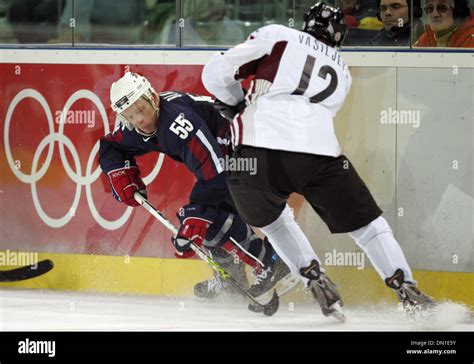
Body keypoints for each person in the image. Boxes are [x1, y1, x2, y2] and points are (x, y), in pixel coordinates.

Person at [202, 2, 436, 319]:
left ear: (305, 24)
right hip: (319, 154)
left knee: (274, 220)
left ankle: (313, 276)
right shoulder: (342, 69)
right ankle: (404, 284)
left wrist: (235, 103)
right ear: (339, 36)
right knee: (368, 227)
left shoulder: (278, 34)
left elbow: (214, 73)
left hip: (252, 154)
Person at [98, 72, 295, 307]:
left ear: (152, 96)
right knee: (201, 219)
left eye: (141, 109)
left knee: (202, 219)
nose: (139, 120)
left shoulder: (178, 122)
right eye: (130, 115)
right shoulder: (135, 127)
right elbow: (110, 146)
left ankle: (271, 262)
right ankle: (233, 275)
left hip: (252, 153)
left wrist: (197, 214)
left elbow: (217, 173)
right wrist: (119, 171)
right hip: (232, 158)